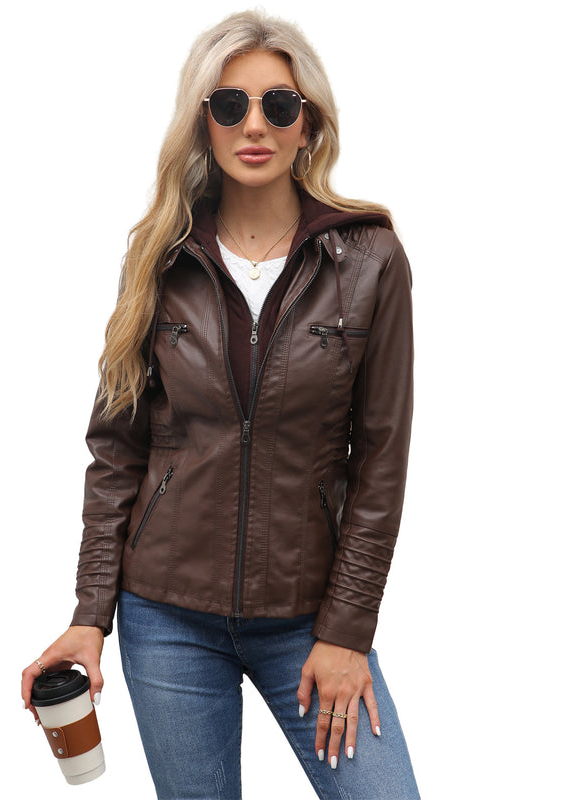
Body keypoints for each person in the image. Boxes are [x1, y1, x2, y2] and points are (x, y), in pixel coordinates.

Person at [22, 10, 420, 799]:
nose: (255, 125)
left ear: (310, 123)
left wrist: (347, 632)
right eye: (230, 105)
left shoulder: (370, 258)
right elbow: (117, 451)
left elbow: (381, 463)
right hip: (166, 618)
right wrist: (90, 615)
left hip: (308, 616)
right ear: (204, 122)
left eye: (280, 104)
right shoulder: (159, 258)